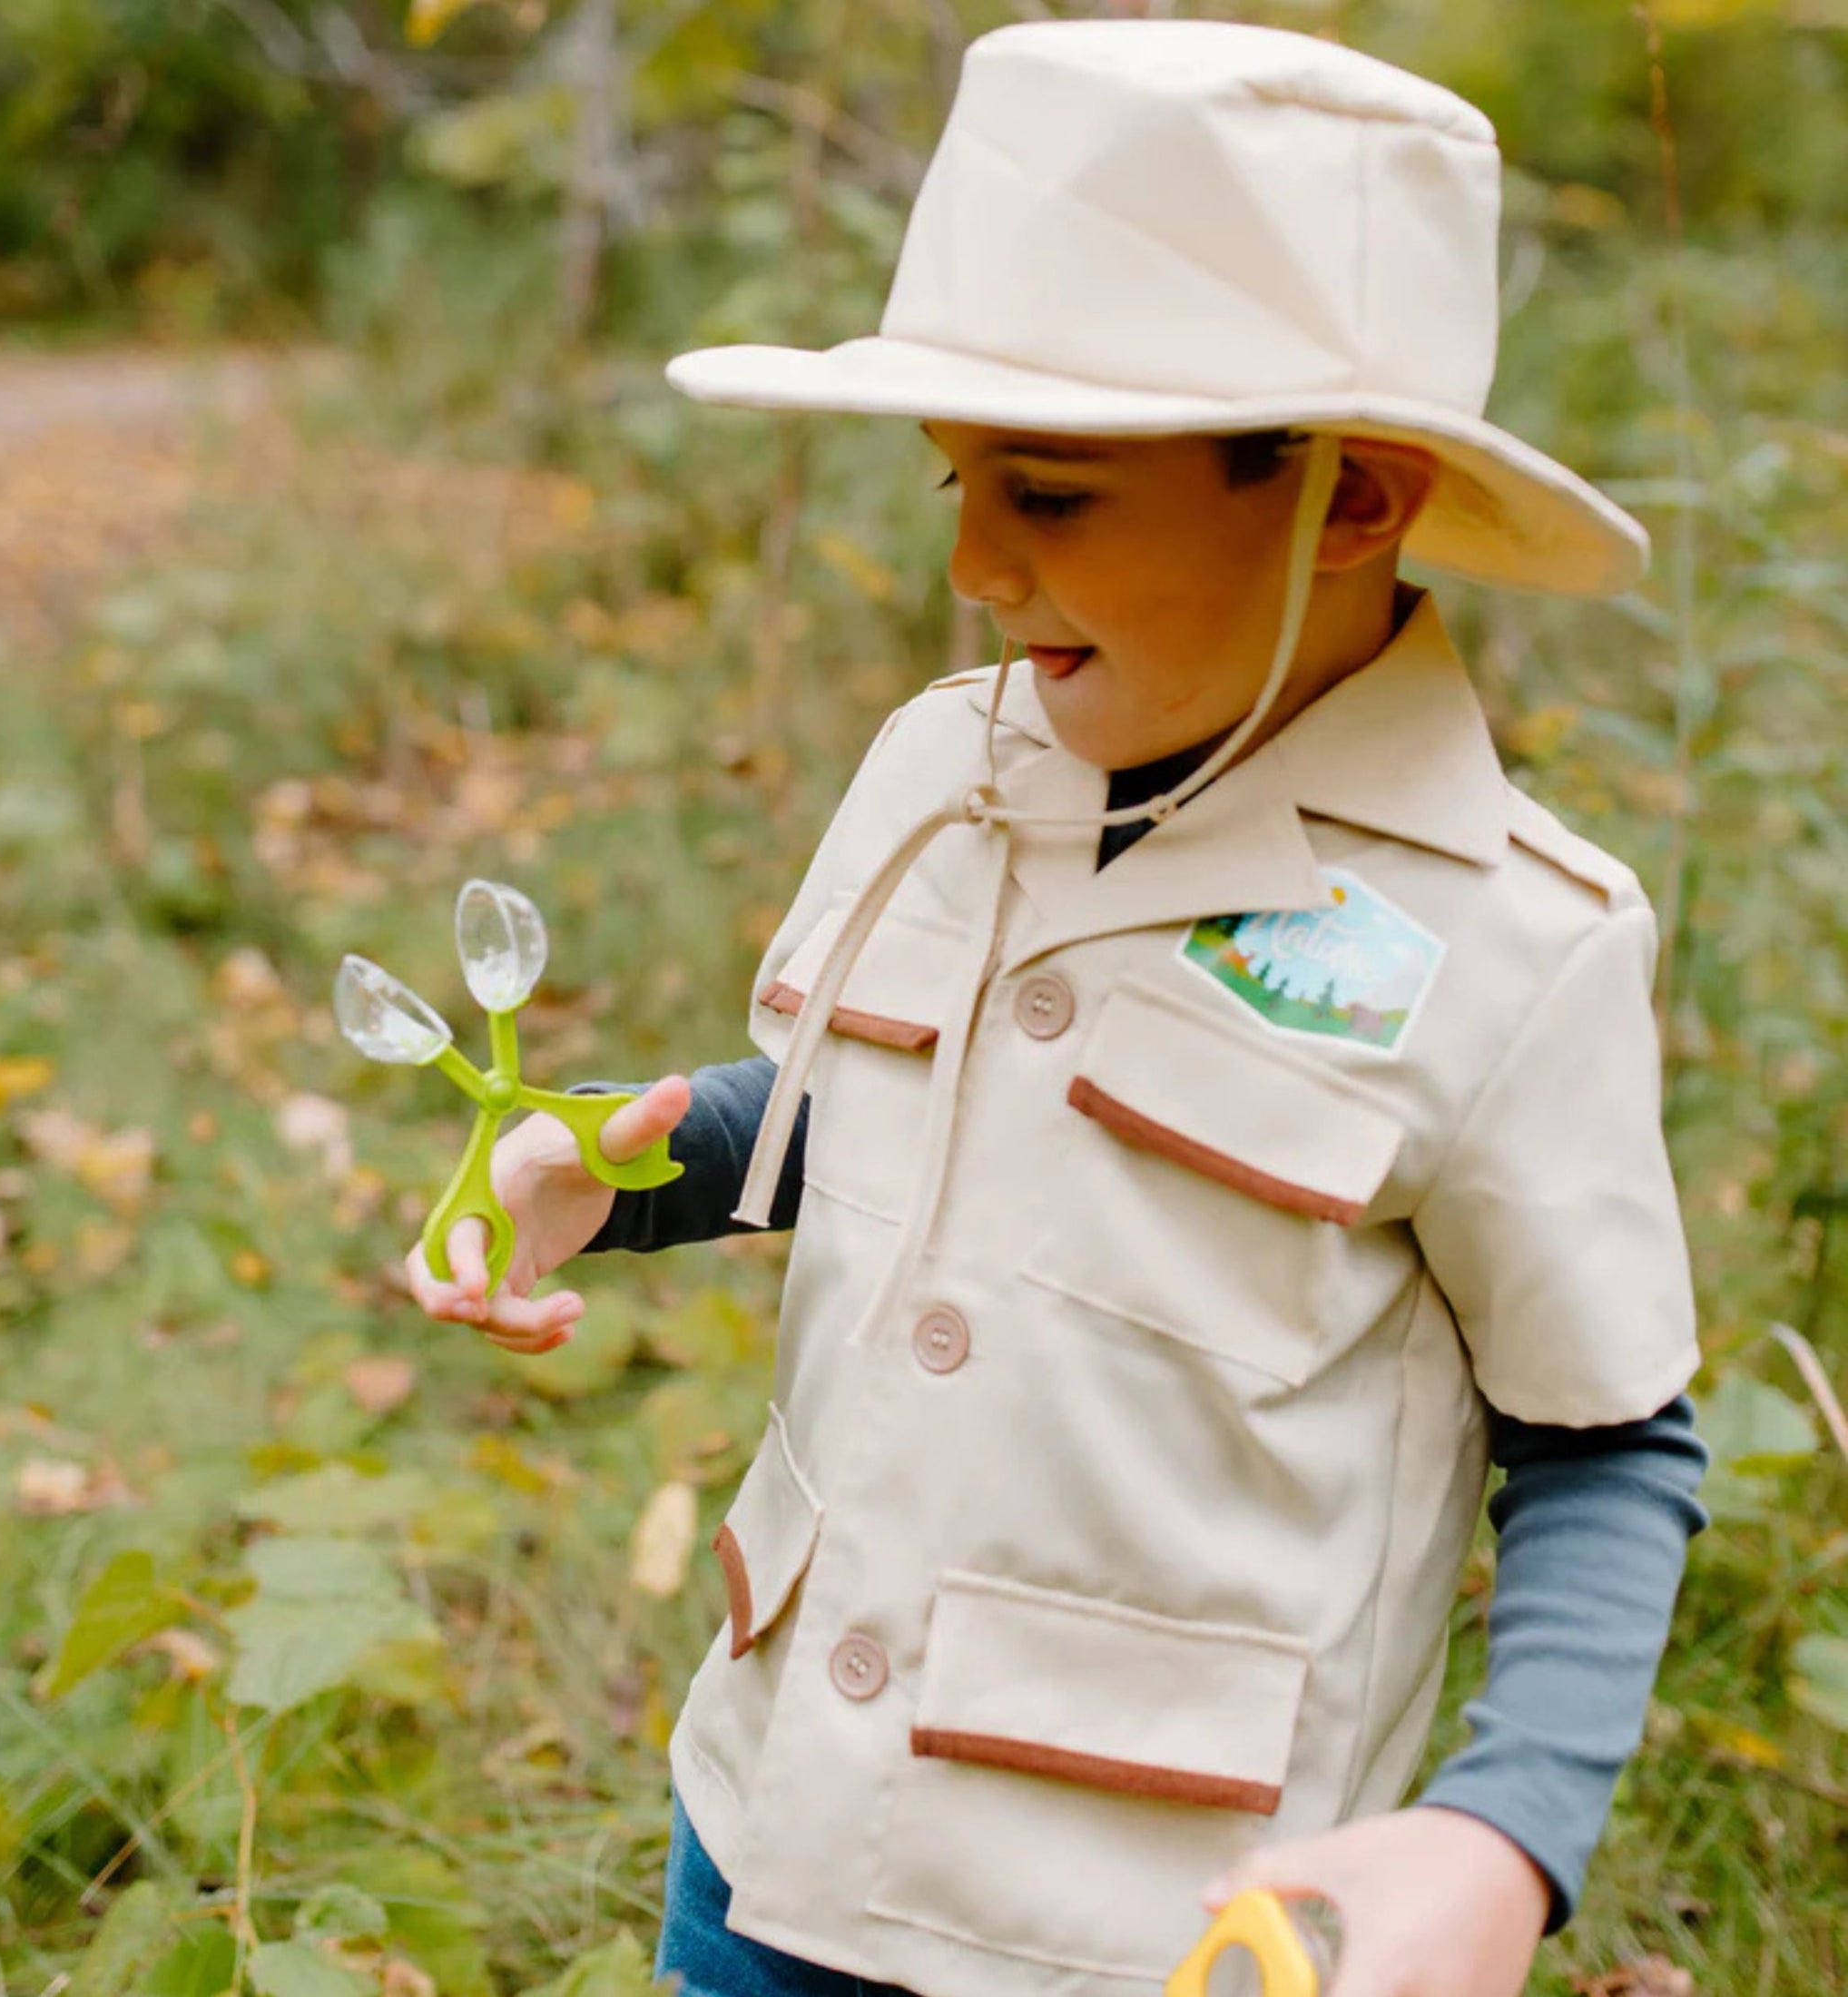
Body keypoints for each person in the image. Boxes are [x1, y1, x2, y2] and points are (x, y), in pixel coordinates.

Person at [405, 22, 1708, 1997]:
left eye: (1054, 492)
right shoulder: (938, 771)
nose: (967, 560)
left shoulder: (1509, 944)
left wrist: (1495, 1832)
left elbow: (1603, 1445)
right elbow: (864, 1120)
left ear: (1346, 497)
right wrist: (611, 1157)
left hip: (1152, 1928)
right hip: (769, 1830)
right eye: (954, 479)